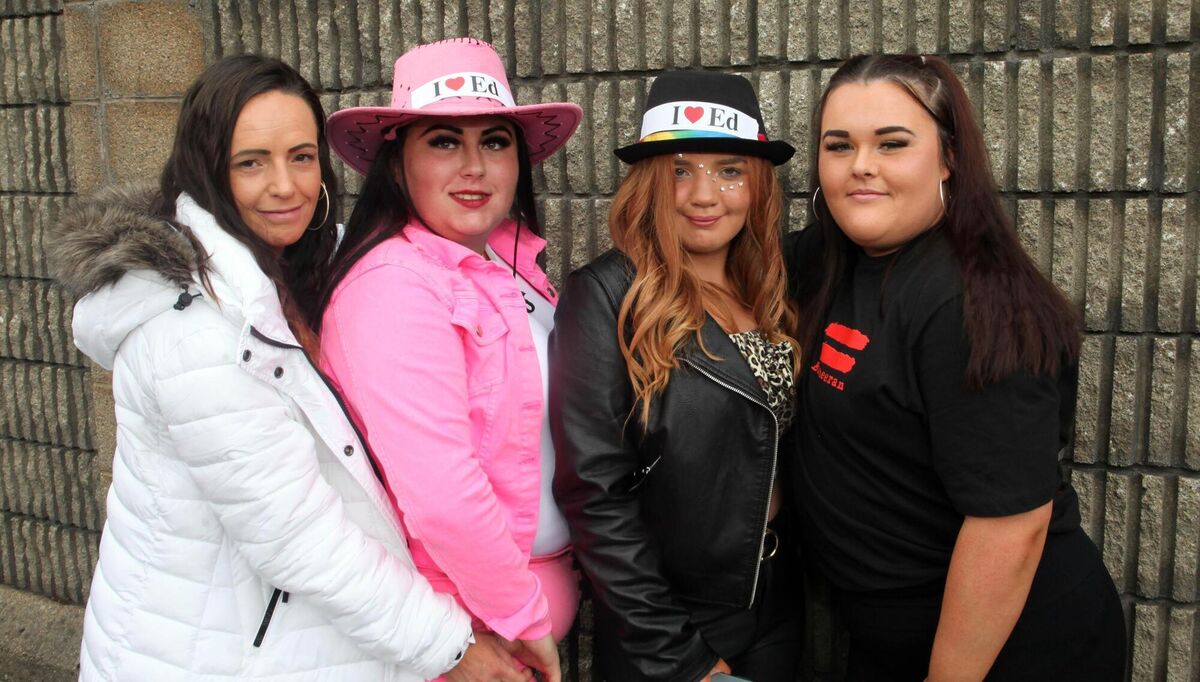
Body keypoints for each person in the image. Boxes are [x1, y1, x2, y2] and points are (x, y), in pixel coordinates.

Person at [48, 55, 499, 681]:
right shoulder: (191, 332)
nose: (285, 185)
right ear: (207, 170)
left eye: (302, 156)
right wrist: (453, 647)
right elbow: (296, 537)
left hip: (290, 641)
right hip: (203, 655)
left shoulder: (306, 270)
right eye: (251, 162)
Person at [787, 53, 1126, 681]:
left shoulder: (975, 302)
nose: (861, 166)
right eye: (839, 146)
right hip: (884, 638)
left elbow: (1010, 526)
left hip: (1007, 650)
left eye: (892, 144)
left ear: (947, 159)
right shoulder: (832, 260)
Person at [318, 38, 584, 681]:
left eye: (494, 141)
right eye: (443, 141)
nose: (475, 166)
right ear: (397, 163)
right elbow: (441, 494)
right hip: (467, 641)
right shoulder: (392, 285)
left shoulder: (511, 263)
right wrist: (521, 620)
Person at [549, 71, 802, 682]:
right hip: (670, 619)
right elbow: (594, 493)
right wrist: (680, 658)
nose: (704, 195)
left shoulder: (772, 287)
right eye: (680, 169)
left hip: (778, 599)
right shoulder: (605, 295)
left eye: (730, 170)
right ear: (649, 184)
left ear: (757, 185)